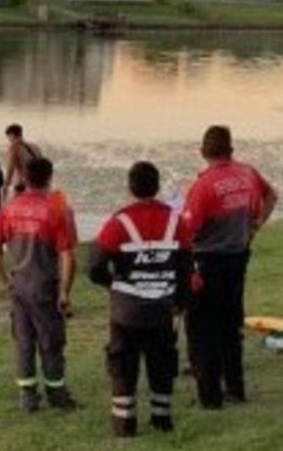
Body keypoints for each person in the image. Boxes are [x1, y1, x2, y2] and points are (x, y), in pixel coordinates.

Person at [89, 161, 192, 437]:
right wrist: (180, 301)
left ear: (130, 187)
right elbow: (185, 268)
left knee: (123, 366)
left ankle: (124, 425)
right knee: (162, 365)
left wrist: (113, 284)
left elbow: (94, 266)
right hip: (162, 309)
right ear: (157, 187)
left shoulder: (119, 223)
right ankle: (162, 419)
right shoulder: (176, 222)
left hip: (126, 311)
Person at [182, 125, 277, 409]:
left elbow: (188, 232)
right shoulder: (247, 173)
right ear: (230, 149)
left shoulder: (203, 186)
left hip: (209, 260)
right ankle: (235, 387)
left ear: (203, 151)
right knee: (229, 325)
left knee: (202, 328)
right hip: (238, 257)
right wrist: (255, 225)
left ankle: (209, 393)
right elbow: (271, 196)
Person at [0, 157, 78, 413]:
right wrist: (65, 291)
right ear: (49, 177)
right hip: (45, 285)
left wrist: (4, 281)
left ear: (24, 178)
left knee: (24, 342)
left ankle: (28, 397)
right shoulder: (55, 210)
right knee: (51, 342)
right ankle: (56, 395)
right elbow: (67, 255)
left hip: (19, 286)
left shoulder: (9, 208)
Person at [2, 123, 42, 200]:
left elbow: (10, 169)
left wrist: (5, 187)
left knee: (18, 206)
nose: (9, 140)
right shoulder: (35, 147)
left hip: (22, 185)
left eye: (8, 137)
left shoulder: (14, 148)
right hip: (37, 184)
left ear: (12, 135)